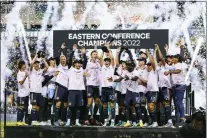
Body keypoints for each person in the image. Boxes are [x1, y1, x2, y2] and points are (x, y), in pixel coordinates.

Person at [65, 47, 87, 126]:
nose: (78, 64)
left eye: (79, 63)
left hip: (80, 90)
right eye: (77, 63)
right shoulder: (70, 69)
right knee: (71, 106)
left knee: (78, 106)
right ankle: (68, 121)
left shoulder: (81, 69)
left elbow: (85, 62)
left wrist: (83, 54)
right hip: (72, 90)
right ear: (74, 64)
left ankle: (77, 121)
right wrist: (73, 51)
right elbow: (70, 60)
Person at [164, 54, 186, 127]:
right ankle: (178, 121)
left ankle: (182, 118)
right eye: (172, 58)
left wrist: (169, 72)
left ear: (178, 59)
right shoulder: (174, 65)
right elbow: (167, 66)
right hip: (175, 86)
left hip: (180, 86)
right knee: (177, 104)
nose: (172, 59)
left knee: (179, 102)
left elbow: (178, 71)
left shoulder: (179, 64)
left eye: (174, 58)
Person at [154, 44, 173, 127]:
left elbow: (163, 58)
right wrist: (155, 52)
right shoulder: (159, 68)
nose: (160, 62)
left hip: (166, 88)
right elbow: (155, 60)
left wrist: (159, 49)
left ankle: (169, 121)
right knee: (157, 105)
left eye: (161, 62)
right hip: (159, 89)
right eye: (159, 62)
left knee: (166, 104)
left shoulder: (168, 67)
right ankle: (158, 122)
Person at [30, 53, 48, 126]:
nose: (37, 65)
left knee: (38, 107)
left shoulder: (40, 71)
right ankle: (33, 121)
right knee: (34, 106)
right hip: (33, 91)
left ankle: (37, 121)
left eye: (37, 64)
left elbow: (47, 66)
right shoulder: (31, 71)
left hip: (39, 91)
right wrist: (35, 56)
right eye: (35, 64)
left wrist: (43, 58)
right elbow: (31, 63)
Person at [84, 50, 102, 125]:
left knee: (97, 102)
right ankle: (86, 119)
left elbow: (102, 65)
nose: (95, 55)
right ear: (91, 55)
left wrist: (99, 57)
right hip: (90, 84)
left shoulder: (98, 64)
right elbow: (84, 72)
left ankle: (93, 117)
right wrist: (86, 74)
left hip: (97, 85)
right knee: (89, 102)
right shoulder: (88, 63)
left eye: (96, 54)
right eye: (94, 54)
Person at [100, 46, 115, 127]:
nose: (106, 62)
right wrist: (103, 50)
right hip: (103, 89)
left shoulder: (112, 67)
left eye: (108, 61)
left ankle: (112, 121)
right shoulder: (102, 67)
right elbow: (100, 58)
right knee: (105, 105)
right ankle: (106, 121)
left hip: (110, 88)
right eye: (105, 61)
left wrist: (108, 48)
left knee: (112, 105)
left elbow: (112, 58)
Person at [145, 49, 159, 127]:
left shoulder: (154, 71)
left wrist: (148, 53)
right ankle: (152, 122)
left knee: (151, 106)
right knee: (149, 108)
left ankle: (155, 122)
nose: (148, 65)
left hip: (154, 91)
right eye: (148, 64)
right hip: (148, 92)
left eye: (149, 64)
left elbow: (153, 62)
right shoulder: (148, 73)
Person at [54, 55, 69, 126]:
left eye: (64, 59)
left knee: (65, 105)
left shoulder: (68, 67)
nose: (63, 60)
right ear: (60, 60)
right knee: (58, 104)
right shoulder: (58, 66)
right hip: (60, 86)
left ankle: (63, 120)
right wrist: (61, 49)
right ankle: (56, 120)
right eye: (62, 59)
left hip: (67, 87)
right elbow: (56, 57)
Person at [16, 60, 29, 126]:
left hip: (27, 94)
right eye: (24, 64)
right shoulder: (19, 73)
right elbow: (21, 82)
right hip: (21, 94)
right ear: (21, 65)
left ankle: (22, 121)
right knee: (20, 108)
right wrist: (25, 76)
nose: (25, 65)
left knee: (25, 109)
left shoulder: (26, 72)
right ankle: (18, 121)